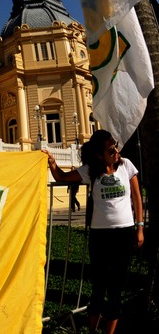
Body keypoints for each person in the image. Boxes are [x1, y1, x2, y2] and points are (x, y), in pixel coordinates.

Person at [43, 130, 144, 334]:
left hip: (124, 234)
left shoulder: (126, 166)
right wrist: (53, 162)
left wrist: (139, 227)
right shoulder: (91, 171)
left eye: (115, 146)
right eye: (110, 149)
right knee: (98, 288)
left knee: (115, 289)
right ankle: (91, 330)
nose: (116, 151)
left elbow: (136, 197)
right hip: (100, 236)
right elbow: (62, 177)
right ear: (99, 155)